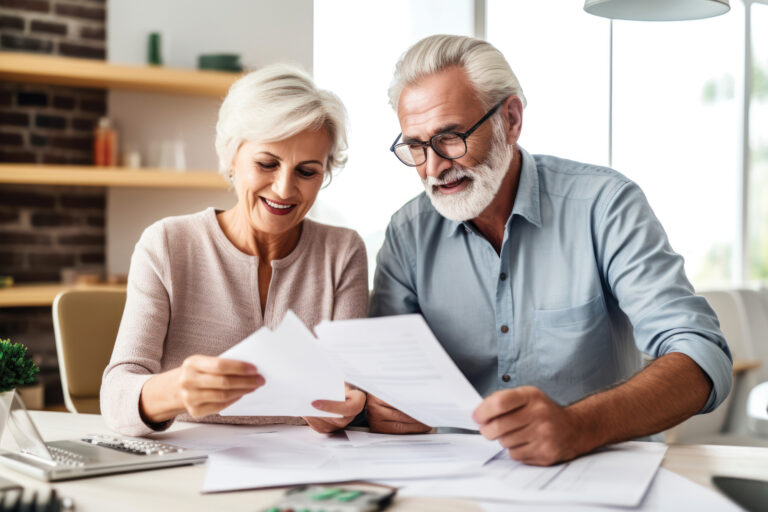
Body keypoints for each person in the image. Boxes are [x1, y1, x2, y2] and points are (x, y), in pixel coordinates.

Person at [368, 35, 732, 466]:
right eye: (415, 146)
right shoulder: (407, 234)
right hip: (459, 483)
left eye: (449, 138)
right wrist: (378, 404)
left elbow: (701, 356)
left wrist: (580, 426)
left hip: (602, 473)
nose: (432, 168)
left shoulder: (604, 205)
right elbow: (381, 374)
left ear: (512, 118)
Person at [101, 64, 369, 437]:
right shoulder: (167, 244)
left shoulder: (343, 252)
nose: (283, 189)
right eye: (267, 164)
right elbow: (115, 397)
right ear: (231, 157)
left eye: (307, 172)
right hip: (188, 458)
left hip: (307, 462)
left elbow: (349, 390)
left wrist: (345, 408)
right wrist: (176, 390)